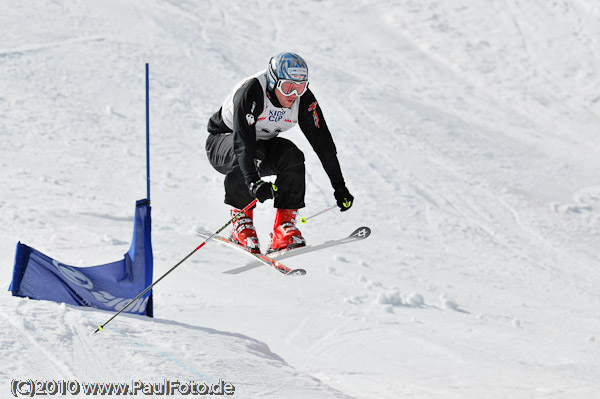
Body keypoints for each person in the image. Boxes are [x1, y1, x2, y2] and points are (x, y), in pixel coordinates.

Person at [205, 52, 354, 254]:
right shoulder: (252, 91)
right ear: (273, 82)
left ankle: (283, 228)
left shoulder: (303, 100)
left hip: (259, 148)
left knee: (292, 155)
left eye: (300, 87)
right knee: (253, 150)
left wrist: (339, 186)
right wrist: (253, 182)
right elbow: (243, 144)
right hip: (224, 144)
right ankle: (241, 219)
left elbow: (323, 144)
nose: (293, 94)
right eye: (287, 87)